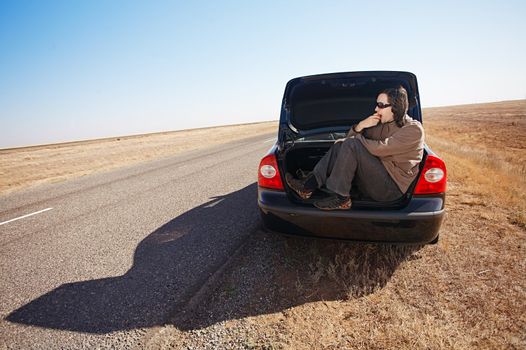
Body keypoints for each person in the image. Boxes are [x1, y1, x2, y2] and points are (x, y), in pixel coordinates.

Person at [285, 86, 425, 210]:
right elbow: (348, 140)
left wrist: (354, 139)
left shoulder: (413, 129)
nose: (376, 109)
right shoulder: (380, 125)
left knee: (352, 143)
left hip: (391, 188)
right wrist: (361, 125)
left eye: (381, 105)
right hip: (372, 179)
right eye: (377, 104)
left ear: (396, 107)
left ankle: (341, 198)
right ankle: (308, 185)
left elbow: (380, 149)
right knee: (341, 144)